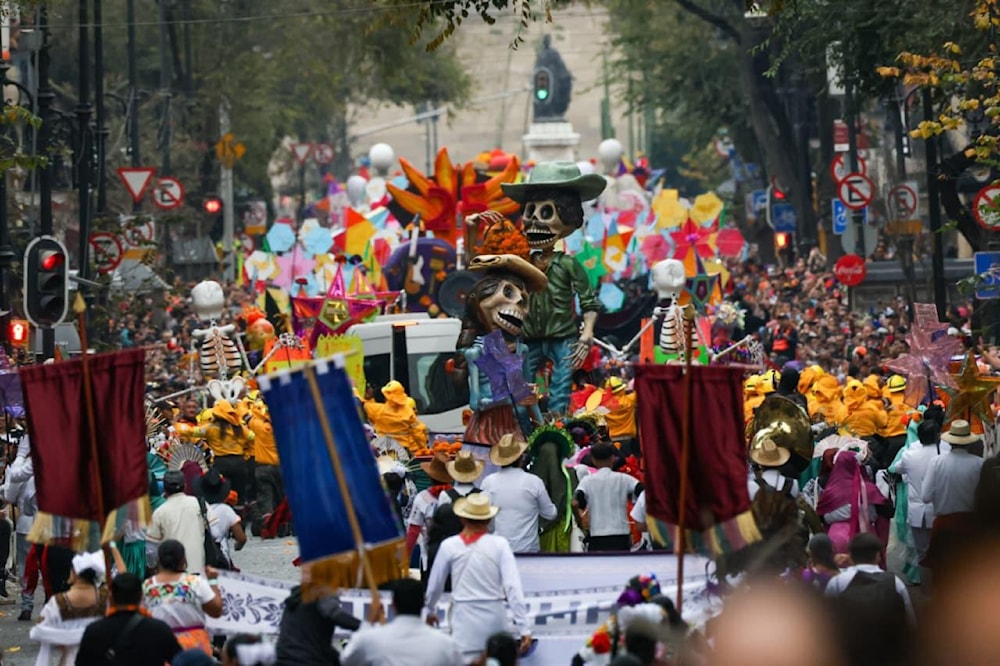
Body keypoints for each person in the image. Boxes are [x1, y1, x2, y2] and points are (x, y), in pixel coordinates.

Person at [424, 493, 532, 661]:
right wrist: (524, 627)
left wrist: (429, 610)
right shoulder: (500, 545)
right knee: (496, 660)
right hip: (494, 615)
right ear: (488, 520)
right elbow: (512, 587)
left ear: (462, 519)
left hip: (464, 617)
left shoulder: (449, 546)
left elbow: (434, 586)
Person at [825, 533, 914, 666]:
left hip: (850, 652)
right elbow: (910, 621)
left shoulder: (838, 582)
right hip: (888, 653)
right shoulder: (896, 582)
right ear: (878, 555)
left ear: (851, 555)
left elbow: (826, 618)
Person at [340, 578, 463, 666]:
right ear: (423, 603)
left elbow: (347, 659)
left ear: (393, 604)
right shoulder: (446, 645)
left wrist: (368, 622)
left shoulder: (373, 639)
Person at [921, 419, 985, 577]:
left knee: (942, 572)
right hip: (971, 525)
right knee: (968, 571)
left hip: (944, 525)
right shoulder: (980, 464)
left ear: (950, 442)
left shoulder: (937, 462)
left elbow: (925, 496)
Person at [75, 572, 182, 666]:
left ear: (111, 597)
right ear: (140, 596)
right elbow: (181, 660)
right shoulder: (159, 630)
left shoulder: (94, 631)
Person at [142, 540, 222, 654]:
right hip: (195, 647)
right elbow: (216, 610)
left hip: (160, 646)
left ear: (158, 560)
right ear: (183, 559)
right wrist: (213, 581)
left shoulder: (147, 586)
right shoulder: (195, 583)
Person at [480, 434, 557, 553]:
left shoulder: (488, 482)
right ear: (521, 458)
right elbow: (551, 514)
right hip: (528, 550)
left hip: (499, 549)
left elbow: (484, 516)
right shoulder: (534, 482)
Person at [29, 551, 108, 666]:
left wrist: (64, 638)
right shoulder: (105, 598)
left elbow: (37, 632)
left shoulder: (58, 602)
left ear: (75, 572)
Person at [274, 576, 362, 665]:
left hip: (284, 659)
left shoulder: (298, 599)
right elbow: (333, 613)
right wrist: (365, 627)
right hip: (305, 661)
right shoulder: (323, 591)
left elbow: (314, 643)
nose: (344, 591)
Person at [816, 451, 888, 555]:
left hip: (837, 538)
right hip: (866, 538)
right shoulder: (869, 489)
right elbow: (883, 513)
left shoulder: (830, 491)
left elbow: (821, 515)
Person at [574, 443, 641, 552]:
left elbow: (576, 502)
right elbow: (642, 492)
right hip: (621, 534)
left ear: (593, 460)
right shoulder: (624, 479)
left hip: (597, 535)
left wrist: (580, 522)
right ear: (612, 458)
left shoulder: (587, 481)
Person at [895, 419, 943, 567]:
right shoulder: (943, 454)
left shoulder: (910, 455)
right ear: (937, 436)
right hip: (939, 511)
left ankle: (926, 586)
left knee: (922, 555)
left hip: (917, 513)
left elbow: (897, 468)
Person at [0, 433, 37, 620]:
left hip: (27, 523)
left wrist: (18, 459)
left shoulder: (24, 467)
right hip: (52, 525)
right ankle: (51, 601)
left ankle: (27, 603)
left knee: (26, 566)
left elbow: (9, 495)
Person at [147, 470, 210, 573]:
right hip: (198, 567)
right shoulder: (199, 504)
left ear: (164, 488)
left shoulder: (160, 512)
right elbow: (216, 532)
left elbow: (151, 549)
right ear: (185, 486)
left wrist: (153, 567)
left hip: (170, 572)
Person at [404, 454, 454, 575]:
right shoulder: (455, 496)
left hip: (429, 556)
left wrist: (405, 558)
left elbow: (413, 531)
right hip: (454, 557)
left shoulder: (422, 498)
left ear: (430, 477)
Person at [196, 467, 247, 567]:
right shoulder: (226, 510)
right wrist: (238, 546)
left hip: (199, 556)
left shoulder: (196, 506)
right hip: (219, 556)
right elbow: (241, 538)